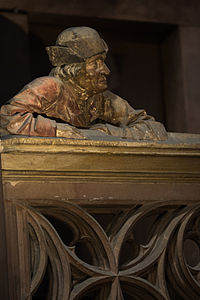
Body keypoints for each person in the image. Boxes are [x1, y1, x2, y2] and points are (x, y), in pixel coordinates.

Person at [0, 26, 167, 140]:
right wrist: (57, 130)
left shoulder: (102, 99)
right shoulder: (51, 87)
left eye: (102, 62)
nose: (106, 71)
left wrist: (107, 132)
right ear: (74, 68)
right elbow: (7, 118)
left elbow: (154, 128)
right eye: (95, 63)